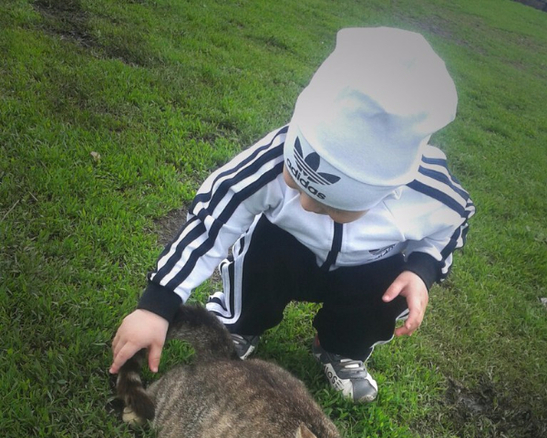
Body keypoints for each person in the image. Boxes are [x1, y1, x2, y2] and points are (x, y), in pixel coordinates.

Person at [110, 27, 474, 403]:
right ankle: (240, 323)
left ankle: (342, 346)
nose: (305, 206)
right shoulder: (272, 158)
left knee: (390, 287)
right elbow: (213, 220)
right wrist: (158, 303)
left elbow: (453, 223)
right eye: (296, 183)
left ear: (387, 190)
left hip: (367, 268)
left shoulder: (430, 192)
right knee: (265, 248)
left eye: (332, 206)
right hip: (284, 252)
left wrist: (422, 269)